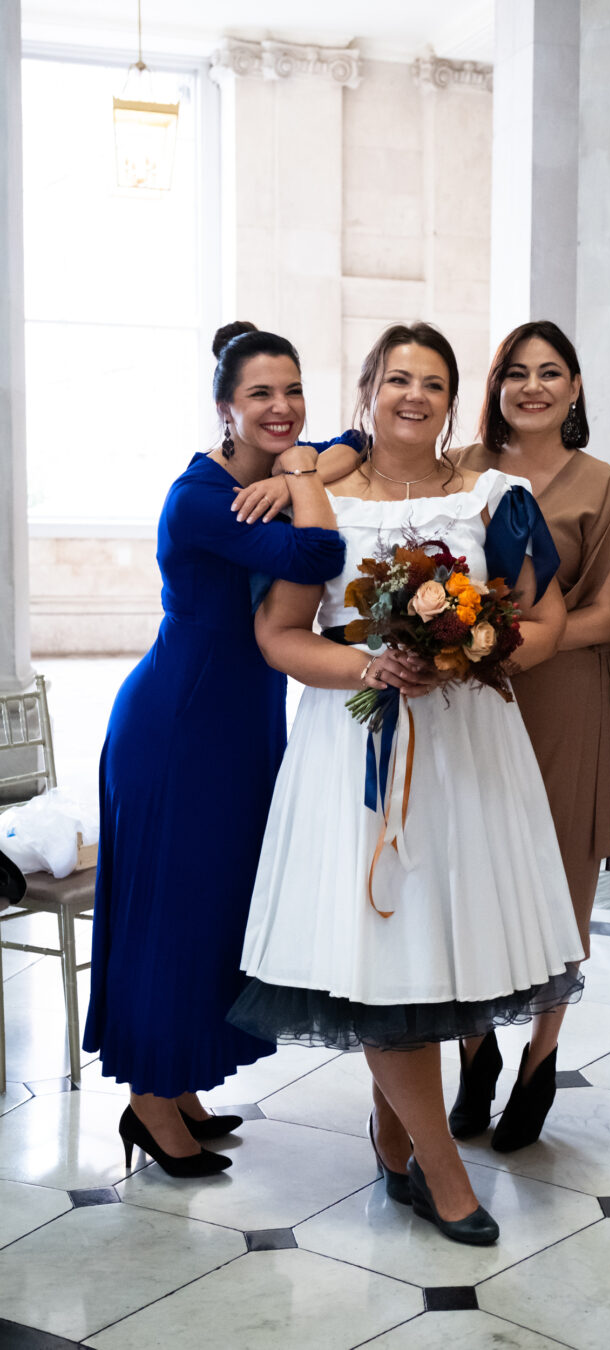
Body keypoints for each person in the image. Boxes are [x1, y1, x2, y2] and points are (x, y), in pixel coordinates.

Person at [227, 322, 584, 1245]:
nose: (413, 396)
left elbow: (543, 621)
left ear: (451, 401)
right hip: (358, 749)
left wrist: (474, 649)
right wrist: (373, 670)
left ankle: (394, 1138)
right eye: (396, 380)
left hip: (469, 749)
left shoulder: (495, 498)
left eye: (431, 382)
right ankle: (442, 1166)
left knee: (439, 948)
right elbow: (282, 637)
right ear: (368, 393)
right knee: (384, 955)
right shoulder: (318, 500)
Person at [83, 322, 353, 1178]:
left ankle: (183, 1087)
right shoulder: (200, 499)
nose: (283, 410)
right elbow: (320, 551)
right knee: (169, 913)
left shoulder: (271, 473)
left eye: (293, 391)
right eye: (261, 395)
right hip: (177, 728)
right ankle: (149, 1103)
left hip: (240, 728)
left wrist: (299, 468)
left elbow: (355, 442)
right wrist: (300, 474)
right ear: (224, 409)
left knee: (216, 911)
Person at [450, 321, 610, 1151]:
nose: (532, 386)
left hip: (564, 701)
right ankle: (476, 1051)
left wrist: (503, 647)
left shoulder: (603, 486)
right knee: (468, 876)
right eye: (515, 372)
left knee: (557, 887)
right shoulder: (459, 471)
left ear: (575, 387)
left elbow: (603, 614)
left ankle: (540, 1059)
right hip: (465, 703)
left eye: (549, 372)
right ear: (495, 387)